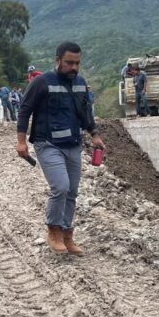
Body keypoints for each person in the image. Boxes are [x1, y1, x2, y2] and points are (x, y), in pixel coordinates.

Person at [16, 41, 105, 255]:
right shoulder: (41, 82)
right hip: (47, 143)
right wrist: (21, 141)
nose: (73, 67)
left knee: (72, 192)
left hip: (73, 144)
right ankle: (53, 230)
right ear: (57, 61)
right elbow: (24, 110)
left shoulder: (80, 83)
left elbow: (85, 113)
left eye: (77, 63)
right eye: (69, 63)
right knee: (61, 187)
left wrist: (95, 134)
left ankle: (67, 235)